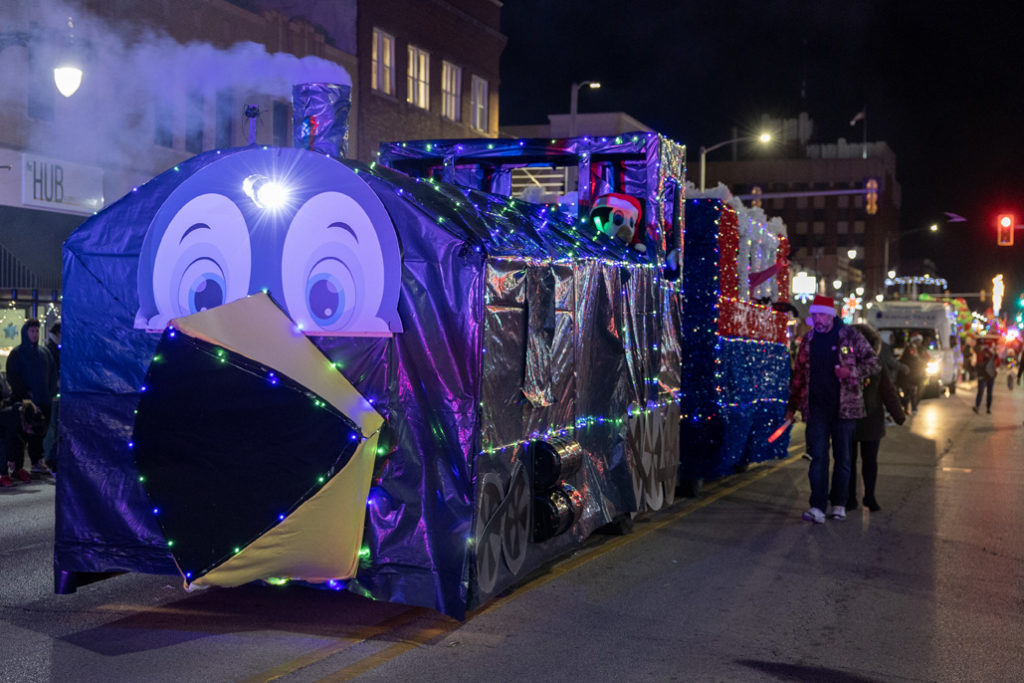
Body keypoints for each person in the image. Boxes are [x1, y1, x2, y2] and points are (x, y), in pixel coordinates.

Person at [787, 295, 880, 523]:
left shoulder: (850, 336)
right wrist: (792, 406)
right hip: (816, 408)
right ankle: (817, 506)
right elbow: (799, 375)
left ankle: (839, 503)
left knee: (843, 458)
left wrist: (851, 373)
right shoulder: (808, 340)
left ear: (831, 315)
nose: (818, 319)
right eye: (815, 315)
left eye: (822, 315)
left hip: (844, 409)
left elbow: (873, 363)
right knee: (818, 458)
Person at [847, 324, 906, 512]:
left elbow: (887, 390)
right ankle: (852, 497)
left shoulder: (876, 363)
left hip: (869, 419)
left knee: (866, 461)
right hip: (850, 418)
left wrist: (898, 414)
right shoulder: (846, 361)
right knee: (851, 461)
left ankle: (866, 496)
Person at [5, 319, 58, 476]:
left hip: (44, 400)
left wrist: (50, 393)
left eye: (36, 331)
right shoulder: (17, 354)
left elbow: (53, 374)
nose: (34, 334)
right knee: (22, 435)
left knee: (40, 433)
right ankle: (17, 465)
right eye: (31, 331)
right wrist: (23, 395)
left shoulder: (44, 353)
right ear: (25, 332)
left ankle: (36, 462)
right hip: (25, 402)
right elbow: (12, 376)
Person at [0, 400, 47, 487]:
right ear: (29, 425)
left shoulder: (30, 416)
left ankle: (18, 470)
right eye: (30, 431)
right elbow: (9, 441)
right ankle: (4, 474)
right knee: (2, 448)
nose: (30, 433)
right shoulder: (13, 419)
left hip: (7, 432)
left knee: (20, 443)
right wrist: (11, 460)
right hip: (2, 431)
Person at [898, 336, 928, 416]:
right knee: (909, 391)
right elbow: (908, 359)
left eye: (920, 340)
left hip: (918, 374)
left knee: (916, 391)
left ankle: (912, 407)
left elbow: (925, 358)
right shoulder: (909, 349)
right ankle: (909, 407)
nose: (919, 342)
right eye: (917, 340)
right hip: (909, 373)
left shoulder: (921, 349)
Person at [972, 341, 998, 414]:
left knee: (980, 391)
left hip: (982, 375)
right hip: (990, 375)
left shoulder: (980, 353)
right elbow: (997, 363)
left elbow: (977, 364)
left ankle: (977, 406)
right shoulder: (994, 354)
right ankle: (988, 408)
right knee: (989, 392)